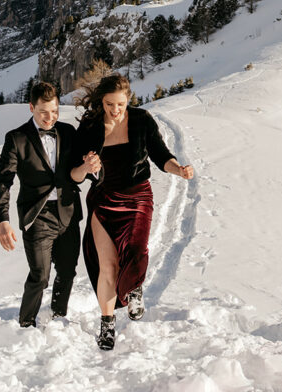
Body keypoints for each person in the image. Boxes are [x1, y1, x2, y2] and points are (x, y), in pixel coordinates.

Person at [71, 73, 194, 351]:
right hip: (103, 200)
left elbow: (161, 155)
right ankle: (107, 323)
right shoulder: (90, 126)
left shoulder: (141, 120)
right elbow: (74, 175)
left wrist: (179, 169)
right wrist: (86, 167)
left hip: (137, 196)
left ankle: (134, 288)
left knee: (136, 251)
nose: (115, 110)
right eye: (109, 104)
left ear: (129, 101)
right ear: (100, 102)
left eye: (121, 104)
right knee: (108, 266)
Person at [0, 81, 82, 327]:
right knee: (40, 276)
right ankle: (25, 323)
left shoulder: (68, 132)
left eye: (54, 111)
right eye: (44, 112)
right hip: (37, 215)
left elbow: (80, 167)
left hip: (68, 212)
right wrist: (2, 221)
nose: (50, 118)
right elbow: (2, 182)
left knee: (67, 271)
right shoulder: (16, 138)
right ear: (31, 107)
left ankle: (57, 315)